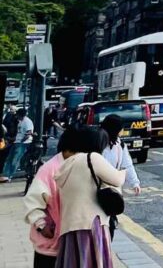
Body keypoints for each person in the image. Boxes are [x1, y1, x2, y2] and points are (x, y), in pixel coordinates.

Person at [34, 126, 126, 267]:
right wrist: (123, 171)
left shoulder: (68, 162)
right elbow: (117, 179)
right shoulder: (93, 158)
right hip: (91, 224)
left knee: (75, 262)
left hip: (69, 226)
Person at [2, 108, 36, 183]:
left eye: (17, 115)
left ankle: (9, 176)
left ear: (21, 115)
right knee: (9, 159)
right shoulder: (20, 122)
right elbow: (20, 133)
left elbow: (28, 133)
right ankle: (5, 175)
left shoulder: (27, 122)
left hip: (23, 143)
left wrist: (21, 141)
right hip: (17, 142)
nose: (16, 116)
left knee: (15, 160)